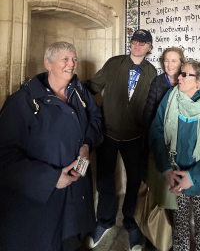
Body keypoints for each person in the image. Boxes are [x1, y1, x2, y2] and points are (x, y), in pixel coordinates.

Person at [0, 41, 103, 251]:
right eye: (64, 58)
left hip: (75, 197)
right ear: (48, 63)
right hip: (41, 206)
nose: (71, 64)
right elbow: (5, 157)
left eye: (74, 59)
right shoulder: (23, 102)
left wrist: (87, 144)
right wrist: (51, 178)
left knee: (72, 241)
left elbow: (95, 117)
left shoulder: (79, 91)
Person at [85, 29, 157, 251]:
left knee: (135, 180)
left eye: (142, 42)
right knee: (105, 179)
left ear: (149, 48)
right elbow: (93, 87)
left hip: (135, 136)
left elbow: (152, 104)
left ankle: (131, 223)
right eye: (135, 41)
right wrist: (73, 94)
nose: (137, 45)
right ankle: (104, 221)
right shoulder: (114, 63)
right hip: (108, 133)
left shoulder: (152, 71)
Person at [149, 60, 200, 251]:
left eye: (185, 74)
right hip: (176, 177)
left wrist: (193, 177)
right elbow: (157, 131)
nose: (179, 77)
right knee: (179, 229)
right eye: (180, 73)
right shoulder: (170, 98)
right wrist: (167, 169)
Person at [143, 47, 186, 155]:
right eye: (166, 61)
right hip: (161, 138)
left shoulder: (188, 80)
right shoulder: (157, 81)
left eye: (173, 61)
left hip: (183, 139)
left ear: (181, 63)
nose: (169, 65)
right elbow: (149, 112)